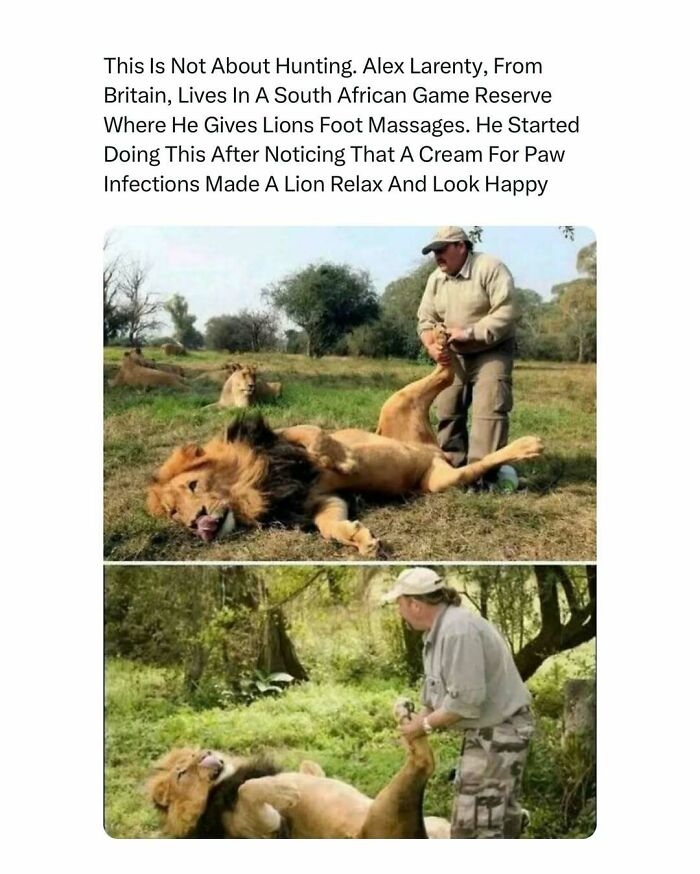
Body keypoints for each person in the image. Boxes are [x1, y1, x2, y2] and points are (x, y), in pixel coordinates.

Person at [382, 567, 534, 839]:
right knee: (495, 813)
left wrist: (423, 726)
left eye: (399, 604)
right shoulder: (436, 633)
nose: (398, 611)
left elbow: (465, 701)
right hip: (487, 731)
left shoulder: (457, 630)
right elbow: (439, 697)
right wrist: (418, 722)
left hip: (501, 732)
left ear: (415, 605)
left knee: (472, 828)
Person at [417, 227, 517, 472]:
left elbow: (507, 311)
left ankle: (483, 474)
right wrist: (430, 345)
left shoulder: (490, 267)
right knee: (447, 410)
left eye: (442, 249)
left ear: (461, 246)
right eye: (434, 251)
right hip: (454, 354)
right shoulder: (436, 279)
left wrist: (469, 332)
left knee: (488, 412)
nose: (437, 256)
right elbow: (426, 319)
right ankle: (453, 468)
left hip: (491, 349)